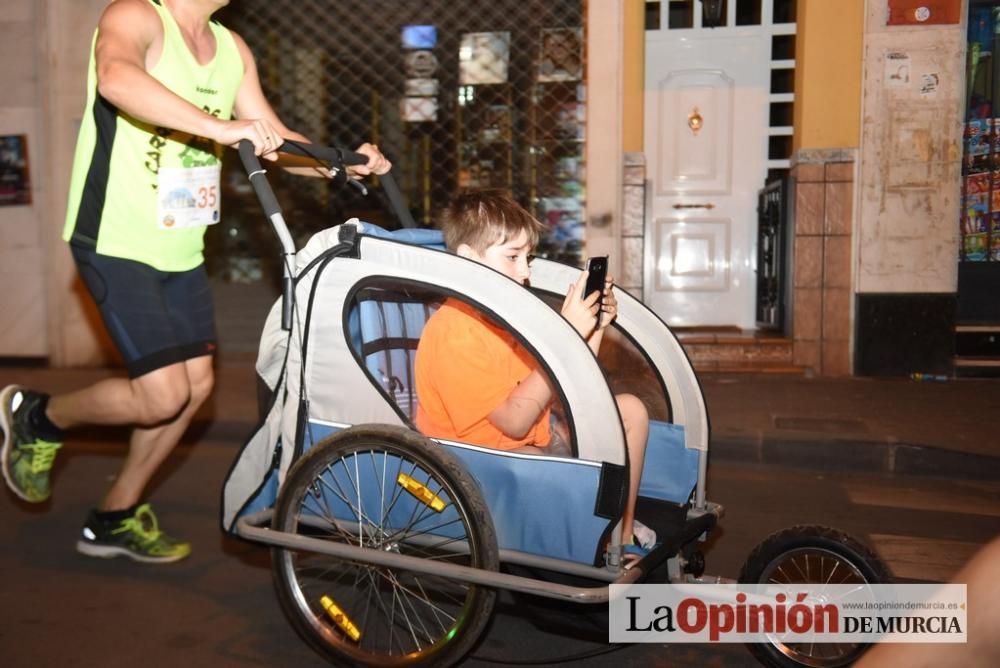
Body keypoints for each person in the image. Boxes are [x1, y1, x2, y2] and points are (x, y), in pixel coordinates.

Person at [0, 0, 390, 563]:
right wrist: (218, 126)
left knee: (193, 393)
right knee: (161, 393)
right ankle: (38, 417)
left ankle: (114, 515)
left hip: (180, 248)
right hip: (115, 237)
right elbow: (116, 77)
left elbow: (273, 139)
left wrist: (339, 163)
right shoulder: (137, 17)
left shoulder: (230, 48)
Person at [414, 189, 654, 561]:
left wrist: (594, 328)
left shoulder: (502, 317)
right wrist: (565, 334)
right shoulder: (455, 329)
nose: (525, 272)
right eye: (512, 257)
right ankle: (591, 543)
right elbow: (513, 422)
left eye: (528, 257)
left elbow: (563, 384)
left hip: (529, 444)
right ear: (467, 259)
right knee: (569, 450)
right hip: (482, 466)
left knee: (630, 412)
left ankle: (620, 538)